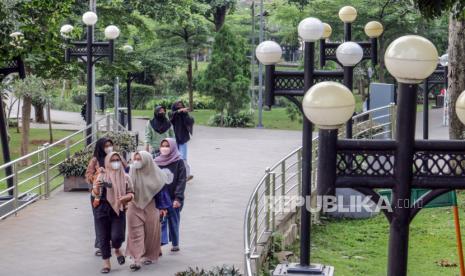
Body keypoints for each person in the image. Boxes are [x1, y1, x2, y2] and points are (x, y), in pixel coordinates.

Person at [126, 151, 172, 271]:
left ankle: (150, 254)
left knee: (151, 232)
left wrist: (163, 208)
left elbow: (161, 192)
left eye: (139, 159)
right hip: (134, 204)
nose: (136, 162)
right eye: (134, 159)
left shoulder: (157, 174)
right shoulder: (130, 171)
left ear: (147, 160)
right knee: (135, 233)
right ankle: (136, 259)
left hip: (151, 205)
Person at [92, 152, 134, 274]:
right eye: (112, 160)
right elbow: (94, 193)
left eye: (118, 160)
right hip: (101, 209)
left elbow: (132, 193)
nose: (115, 162)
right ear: (107, 162)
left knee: (117, 237)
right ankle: (106, 263)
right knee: (103, 237)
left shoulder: (126, 177)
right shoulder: (102, 175)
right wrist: (98, 187)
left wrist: (126, 198)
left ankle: (117, 249)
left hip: (118, 210)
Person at [155, 138, 187, 252]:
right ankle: (159, 245)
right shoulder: (156, 162)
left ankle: (175, 243)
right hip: (161, 197)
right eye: (162, 146)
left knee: (173, 220)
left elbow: (181, 180)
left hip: (174, 197)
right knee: (160, 221)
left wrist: (178, 198)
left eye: (167, 146)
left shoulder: (179, 162)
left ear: (173, 147)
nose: (164, 148)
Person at [86, 138, 114, 257]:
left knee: (112, 220)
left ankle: (111, 242)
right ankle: (101, 245)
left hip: (112, 193)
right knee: (99, 221)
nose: (108, 148)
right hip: (98, 195)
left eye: (110, 145)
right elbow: (88, 175)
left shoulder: (114, 158)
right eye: (106, 146)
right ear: (100, 147)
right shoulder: (95, 160)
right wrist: (98, 176)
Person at [170, 101, 194, 181]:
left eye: (181, 105)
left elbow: (190, 122)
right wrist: (178, 111)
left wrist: (186, 114)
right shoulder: (173, 114)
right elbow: (171, 118)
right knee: (175, 157)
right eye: (178, 105)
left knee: (183, 157)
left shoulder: (184, 114)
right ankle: (176, 174)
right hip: (173, 139)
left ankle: (187, 174)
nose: (180, 107)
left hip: (183, 138)